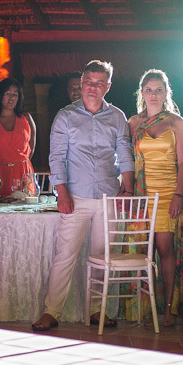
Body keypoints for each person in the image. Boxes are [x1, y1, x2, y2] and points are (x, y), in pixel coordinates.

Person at [32, 60, 135, 332]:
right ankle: (51, 311)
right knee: (65, 255)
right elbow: (56, 157)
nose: (92, 87)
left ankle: (97, 310)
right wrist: (61, 192)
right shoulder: (65, 116)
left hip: (108, 196)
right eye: (88, 81)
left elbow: (125, 153)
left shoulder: (117, 117)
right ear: (81, 82)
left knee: (102, 255)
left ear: (107, 87)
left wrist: (128, 189)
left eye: (99, 83)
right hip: (75, 196)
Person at [127, 69, 183, 328]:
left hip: (167, 195)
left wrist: (177, 195)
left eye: (159, 90)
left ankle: (169, 309)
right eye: (149, 90)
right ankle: (142, 307)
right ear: (142, 93)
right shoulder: (133, 123)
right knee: (142, 251)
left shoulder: (176, 122)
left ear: (166, 93)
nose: (153, 94)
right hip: (143, 195)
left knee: (165, 251)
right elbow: (129, 160)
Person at [0, 78, 37, 196]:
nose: (12, 97)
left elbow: (31, 148)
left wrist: (19, 163)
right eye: (8, 93)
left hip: (23, 172)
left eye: (15, 94)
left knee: (24, 211)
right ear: (0, 95)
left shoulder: (27, 118)